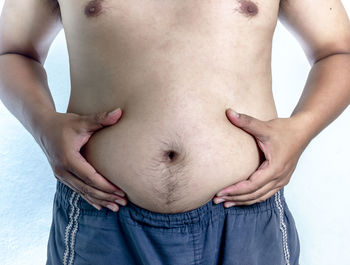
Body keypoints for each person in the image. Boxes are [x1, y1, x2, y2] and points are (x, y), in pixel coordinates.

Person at [0, 0, 349, 264]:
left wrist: (301, 130)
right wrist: (44, 125)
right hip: (101, 215)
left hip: (246, 216)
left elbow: (338, 50)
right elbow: (12, 50)